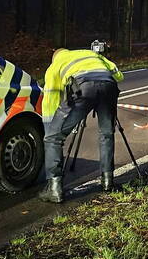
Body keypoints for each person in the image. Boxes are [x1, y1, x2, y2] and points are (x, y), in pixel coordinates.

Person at [39, 47, 124, 203]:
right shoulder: (90, 53)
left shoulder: (56, 64)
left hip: (83, 88)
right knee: (106, 134)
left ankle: (54, 189)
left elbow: (51, 96)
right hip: (109, 86)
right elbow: (118, 75)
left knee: (53, 138)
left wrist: (51, 127)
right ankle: (107, 181)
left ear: (54, 57)